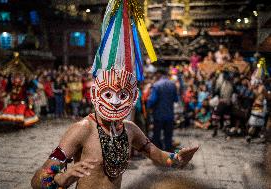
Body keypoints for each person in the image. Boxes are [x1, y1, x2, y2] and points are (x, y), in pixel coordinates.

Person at [32, 1, 198, 188]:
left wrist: (176, 158)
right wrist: (63, 177)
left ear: (133, 96)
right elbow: (38, 182)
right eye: (108, 95)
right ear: (95, 92)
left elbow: (157, 154)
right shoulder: (82, 130)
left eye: (123, 96)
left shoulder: (130, 129)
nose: (116, 102)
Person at [147, 68, 179, 151]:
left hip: (158, 115)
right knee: (168, 136)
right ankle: (168, 155)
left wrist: (147, 106)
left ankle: (157, 155)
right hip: (169, 115)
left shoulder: (156, 85)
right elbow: (176, 99)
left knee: (156, 135)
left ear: (159, 74)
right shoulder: (173, 85)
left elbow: (152, 100)